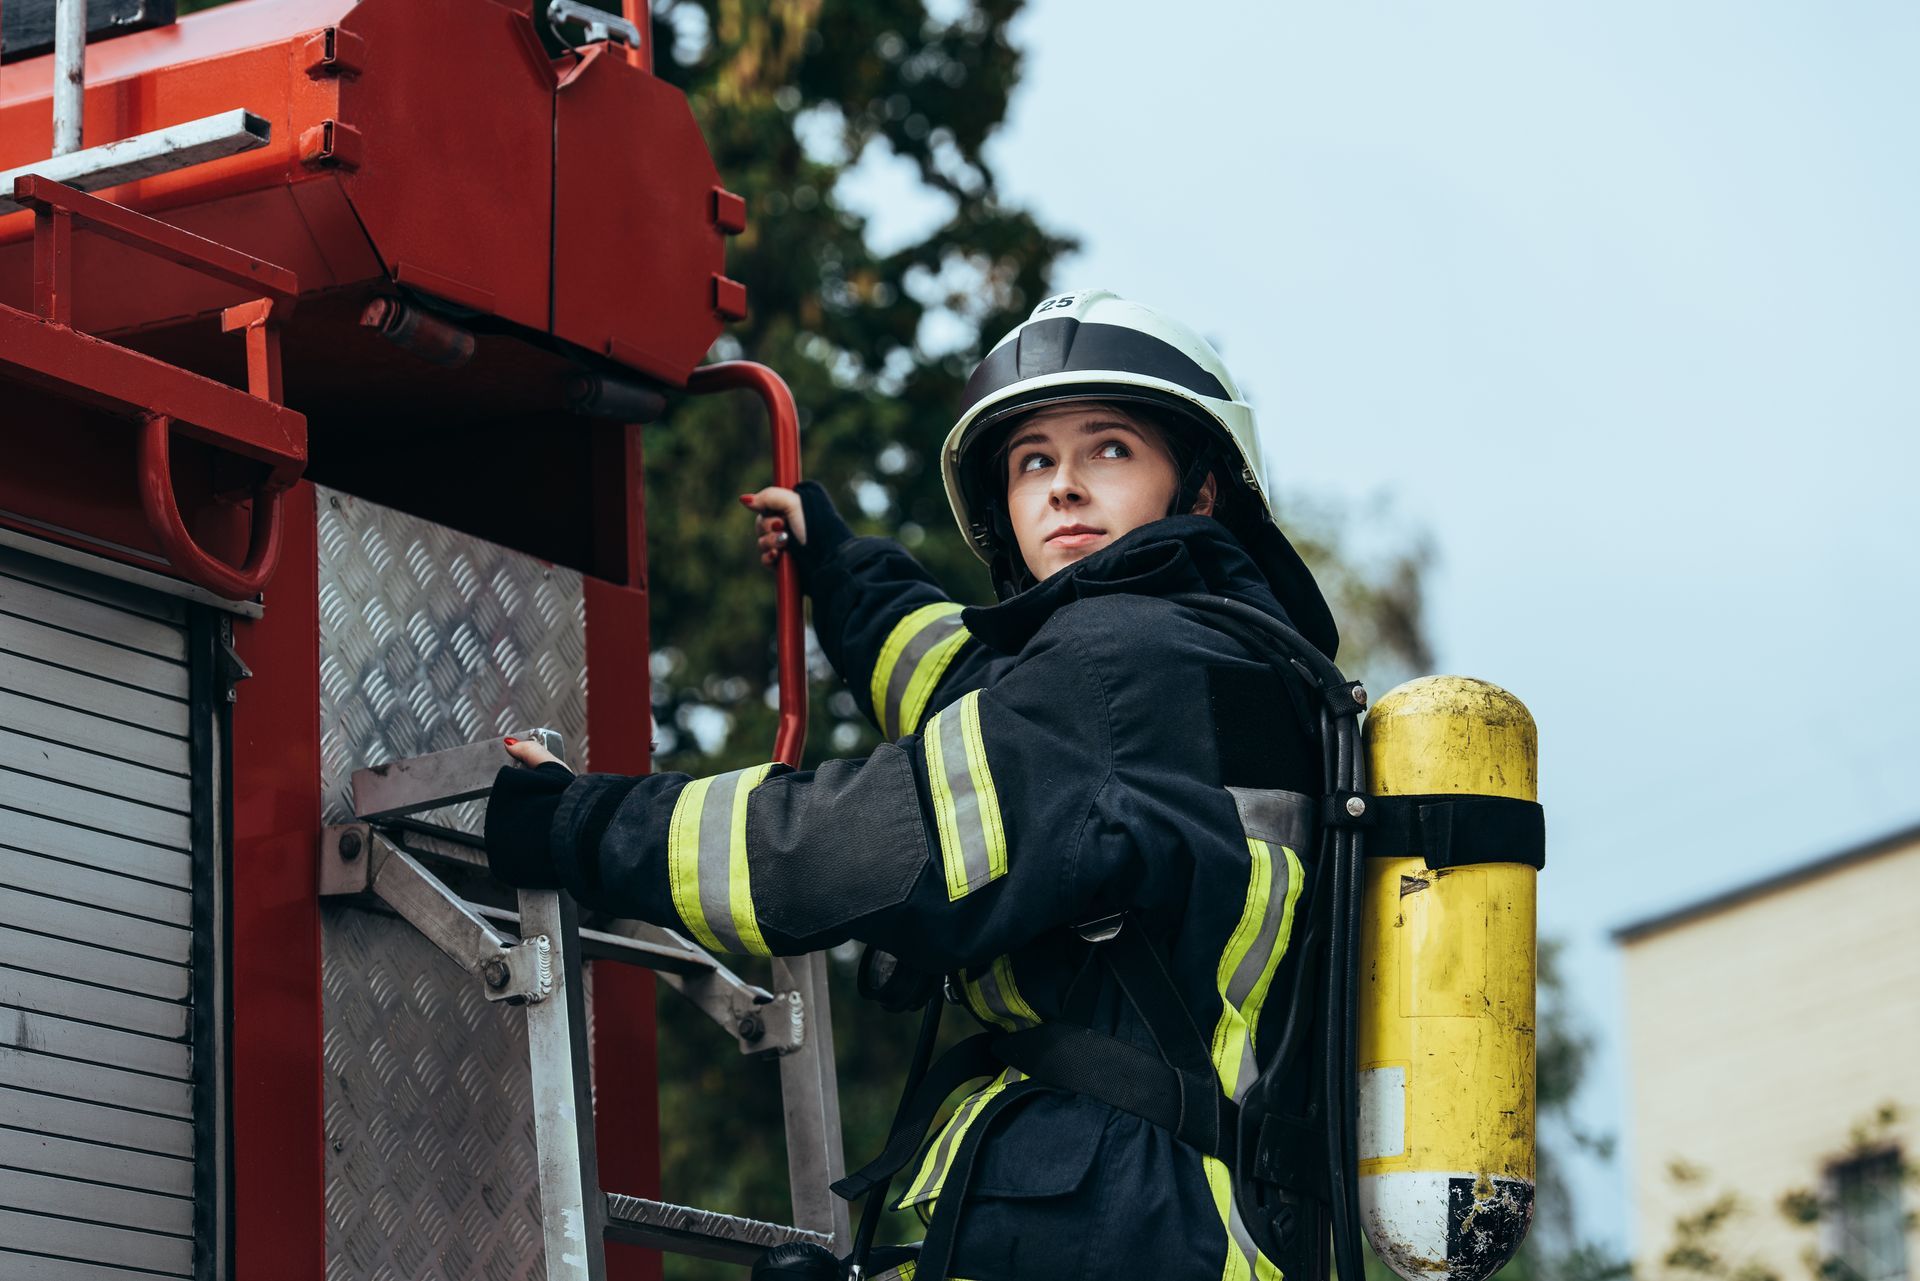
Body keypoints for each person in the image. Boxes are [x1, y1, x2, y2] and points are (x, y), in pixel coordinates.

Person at [486, 289, 1341, 1281]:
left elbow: (843, 851)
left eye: (1109, 449)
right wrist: (842, 570)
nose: (1063, 487)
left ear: (1198, 492)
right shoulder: (1213, 667)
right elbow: (965, 689)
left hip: (1115, 1216)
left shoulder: (1121, 665)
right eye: (1033, 462)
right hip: (1195, 1215)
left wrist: (576, 823)